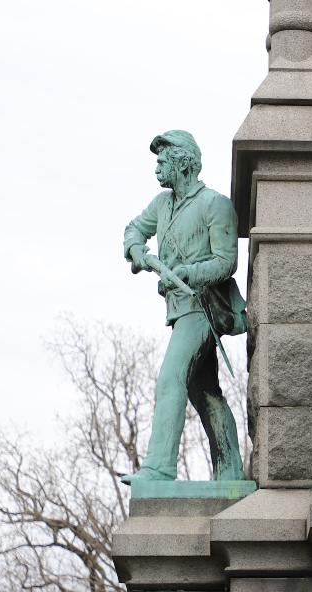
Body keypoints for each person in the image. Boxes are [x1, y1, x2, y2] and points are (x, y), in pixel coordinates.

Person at [122, 130, 246, 483]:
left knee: (170, 378)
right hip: (179, 311)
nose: (157, 167)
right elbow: (134, 228)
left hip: (204, 308)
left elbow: (226, 262)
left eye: (163, 161)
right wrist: (136, 250)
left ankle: (159, 468)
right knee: (203, 391)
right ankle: (231, 473)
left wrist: (189, 272)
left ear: (183, 162)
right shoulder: (162, 205)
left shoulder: (215, 204)